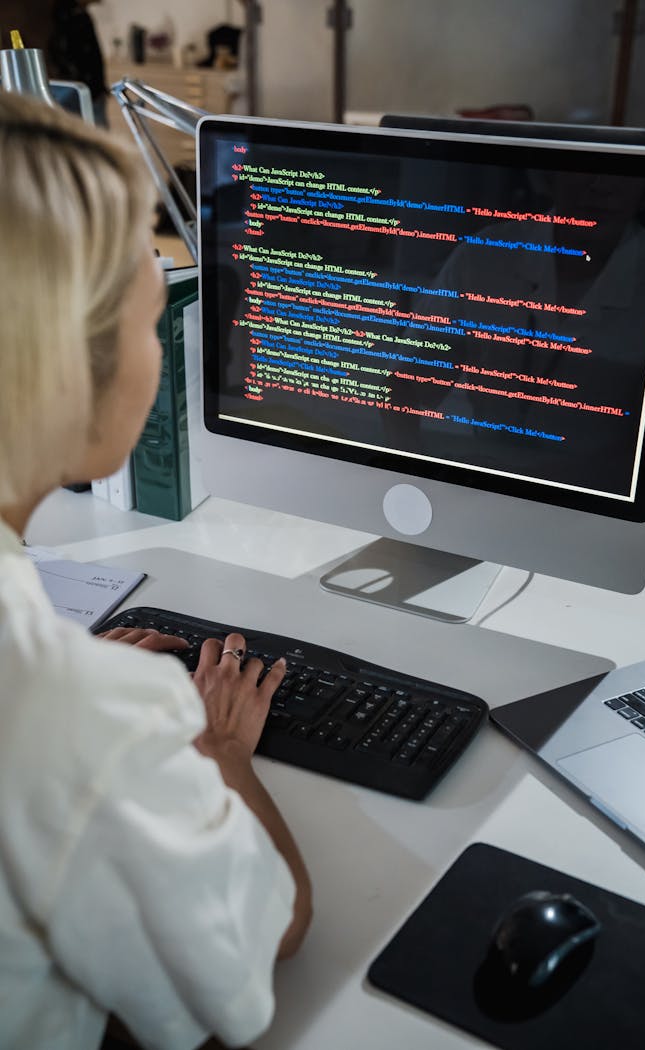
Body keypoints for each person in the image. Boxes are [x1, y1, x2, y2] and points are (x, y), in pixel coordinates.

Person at [0, 91, 311, 1050]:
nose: (161, 351)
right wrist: (212, 750)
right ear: (62, 362)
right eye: (151, 320)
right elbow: (260, 947)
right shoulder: (72, 714)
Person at [47, 0, 109, 125]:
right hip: (79, 90)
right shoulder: (68, 17)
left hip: (92, 89)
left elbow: (94, 56)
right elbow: (70, 53)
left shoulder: (80, 15)